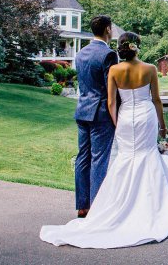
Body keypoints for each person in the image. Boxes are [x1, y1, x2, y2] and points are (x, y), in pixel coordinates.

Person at [40, 32, 168, 249]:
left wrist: (117, 123)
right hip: (146, 116)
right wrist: (163, 126)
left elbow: (112, 102)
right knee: (148, 157)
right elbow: (156, 100)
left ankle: (116, 206)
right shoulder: (149, 69)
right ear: (137, 47)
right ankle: (150, 207)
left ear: (121, 48)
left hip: (125, 119)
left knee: (125, 159)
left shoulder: (114, 70)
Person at [72, 15, 117, 219]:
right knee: (99, 159)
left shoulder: (80, 54)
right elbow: (111, 90)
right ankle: (97, 207)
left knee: (83, 157)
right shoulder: (109, 54)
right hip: (100, 114)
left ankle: (83, 206)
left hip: (82, 110)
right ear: (107, 29)